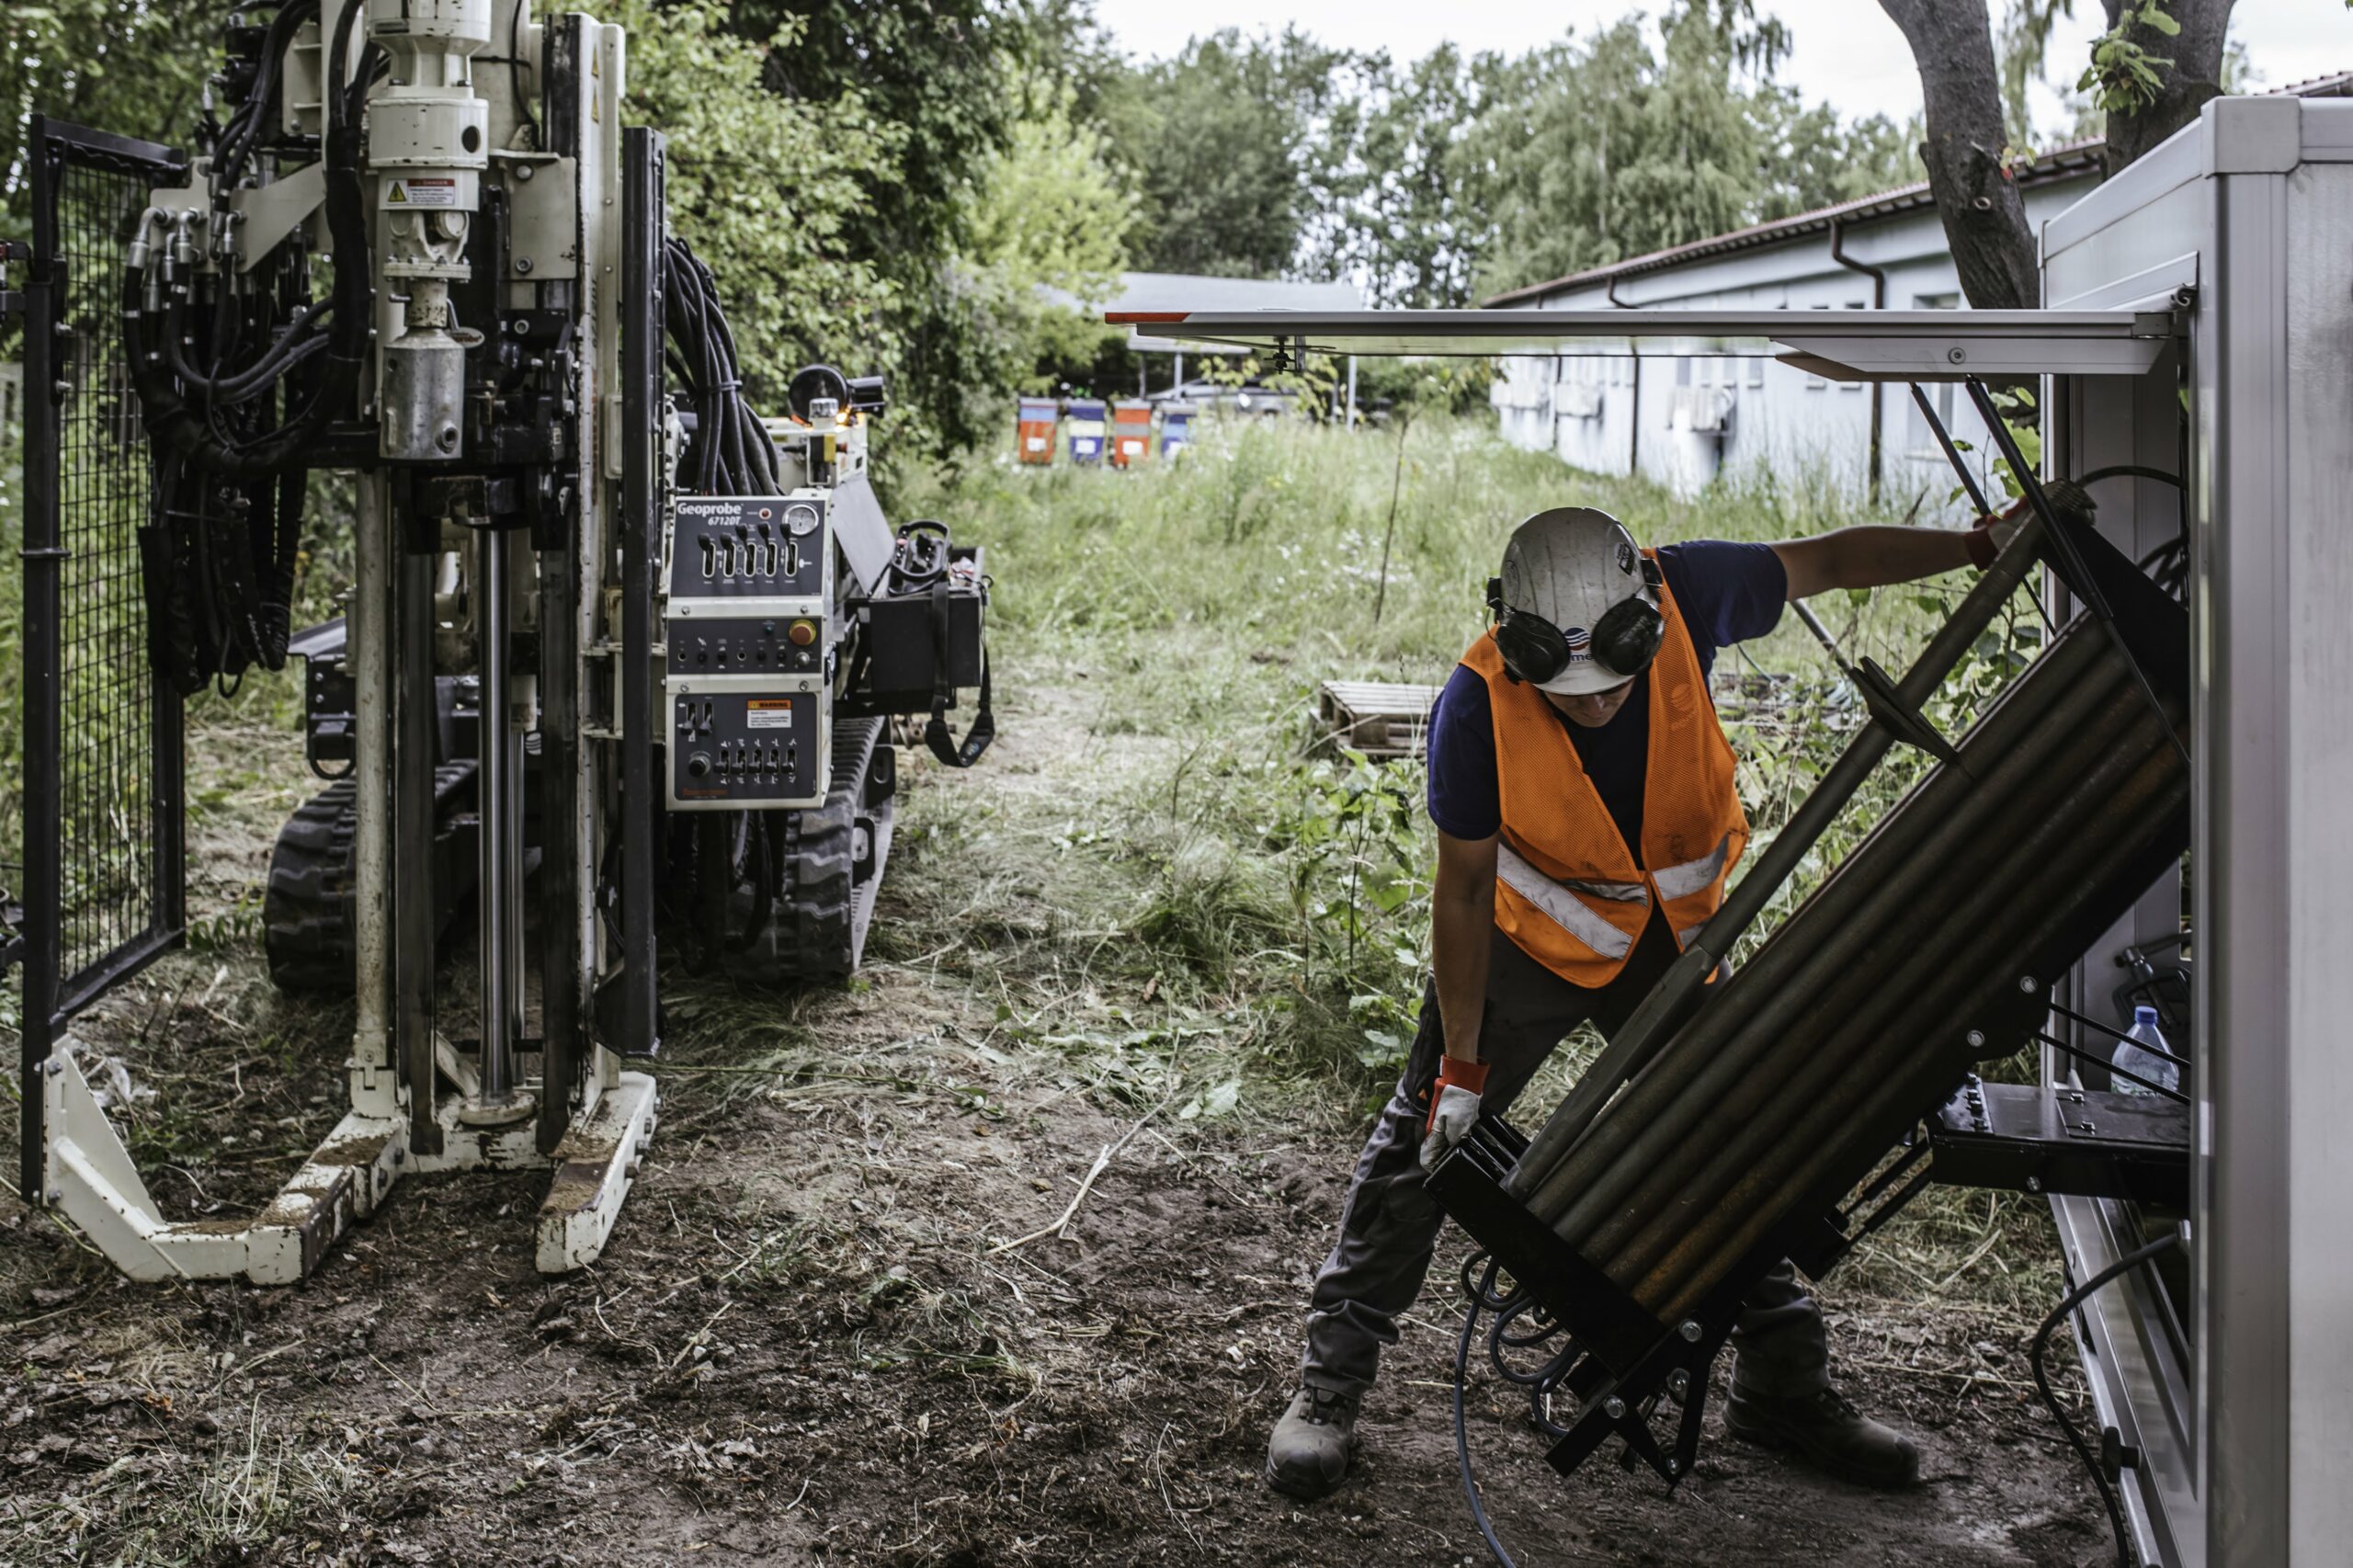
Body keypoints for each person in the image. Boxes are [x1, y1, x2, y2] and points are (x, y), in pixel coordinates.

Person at [1265, 504, 2023, 1501]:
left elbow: (1837, 559)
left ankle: (1783, 1385)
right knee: (1426, 1143)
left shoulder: (1695, 589)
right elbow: (1460, 890)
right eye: (1567, 690)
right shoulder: (1474, 702)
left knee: (1730, 1137)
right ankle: (1328, 1389)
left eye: (1613, 683)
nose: (1594, 704)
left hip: (1665, 942)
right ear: (1518, 640)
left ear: (1644, 620)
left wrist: (1976, 546)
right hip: (1527, 948)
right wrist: (1458, 1066)